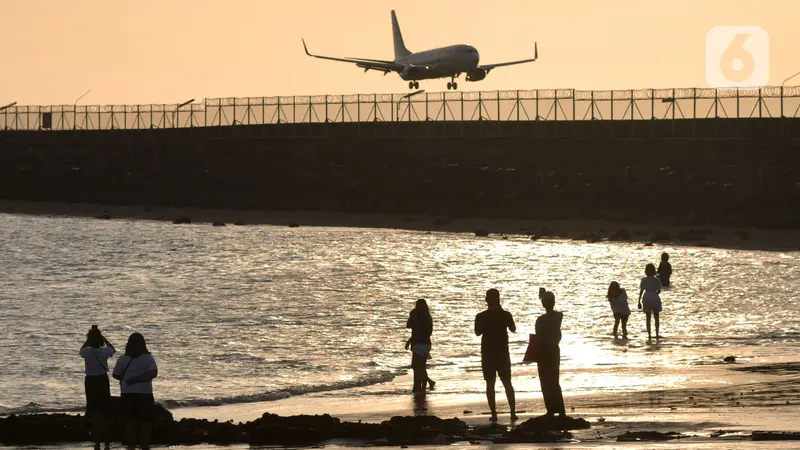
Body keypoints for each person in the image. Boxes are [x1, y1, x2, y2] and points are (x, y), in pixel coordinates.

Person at [474, 288, 517, 422]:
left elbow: (477, 332)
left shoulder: (481, 316)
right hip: (502, 353)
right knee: (507, 383)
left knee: (490, 384)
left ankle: (494, 414)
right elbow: (513, 329)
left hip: (488, 353)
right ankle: (512, 412)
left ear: (487, 300)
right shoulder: (505, 315)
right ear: (498, 299)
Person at [112, 333, 158, 450]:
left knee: (130, 421)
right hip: (144, 393)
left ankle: (131, 445)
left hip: (127, 393)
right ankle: (144, 445)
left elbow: (115, 374)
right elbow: (153, 373)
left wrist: (127, 379)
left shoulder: (123, 358)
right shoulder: (148, 358)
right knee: (145, 422)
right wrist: (138, 379)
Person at [80, 325, 115, 450]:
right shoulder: (105, 351)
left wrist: (89, 340)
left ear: (89, 340)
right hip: (102, 380)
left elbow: (81, 350)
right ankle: (106, 442)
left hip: (90, 381)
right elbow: (113, 349)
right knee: (105, 413)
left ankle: (96, 443)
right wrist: (103, 338)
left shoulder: (87, 352)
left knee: (94, 413)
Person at [535, 290, 566, 417]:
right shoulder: (558, 316)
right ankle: (559, 409)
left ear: (543, 304)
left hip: (544, 350)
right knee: (553, 380)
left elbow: (538, 337)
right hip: (553, 349)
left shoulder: (541, 320)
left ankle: (551, 409)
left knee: (546, 381)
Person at [405, 299, 435, 392]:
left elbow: (420, 332)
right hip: (422, 343)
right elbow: (408, 325)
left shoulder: (424, 318)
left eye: (418, 306)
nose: (416, 308)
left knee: (417, 366)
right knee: (419, 366)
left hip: (421, 343)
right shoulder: (419, 316)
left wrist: (409, 341)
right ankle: (425, 383)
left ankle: (420, 386)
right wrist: (411, 316)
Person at [638, 263, 663, 339]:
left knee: (648, 317)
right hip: (654, 297)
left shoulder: (644, 280)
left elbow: (641, 291)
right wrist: (655, 292)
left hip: (646, 297)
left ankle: (649, 335)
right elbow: (658, 291)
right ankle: (657, 333)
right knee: (656, 317)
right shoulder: (657, 280)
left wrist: (638, 301)